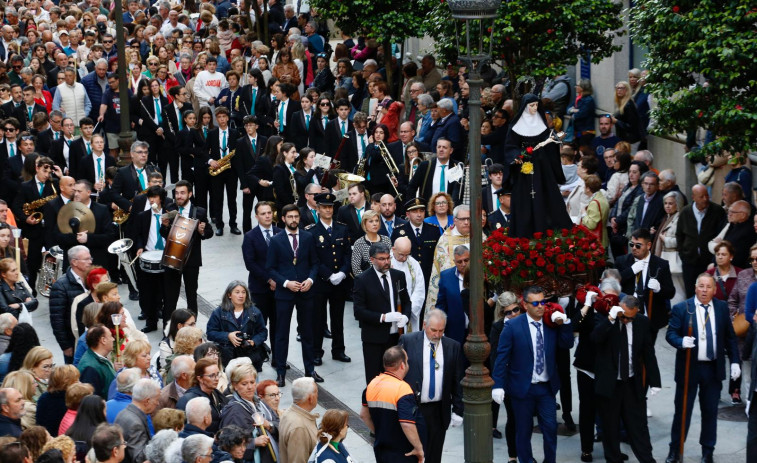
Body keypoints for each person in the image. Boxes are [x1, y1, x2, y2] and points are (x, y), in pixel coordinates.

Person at [491, 285, 573, 463]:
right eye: (535, 303)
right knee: (523, 430)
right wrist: (497, 385)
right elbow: (501, 358)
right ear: (525, 305)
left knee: (550, 428)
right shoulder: (512, 326)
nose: (540, 306)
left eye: (543, 301)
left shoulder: (551, 323)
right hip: (522, 389)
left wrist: (565, 322)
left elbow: (567, 344)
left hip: (546, 388)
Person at [665, 273, 741, 463]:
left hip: (713, 369)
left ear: (715, 290)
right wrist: (681, 341)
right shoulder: (683, 308)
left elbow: (730, 338)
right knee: (683, 411)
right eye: (701, 286)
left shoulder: (722, 308)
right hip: (689, 367)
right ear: (695, 287)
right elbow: (670, 333)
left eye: (708, 287)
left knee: (710, 412)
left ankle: (708, 451)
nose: (705, 290)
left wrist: (735, 361)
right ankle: (675, 450)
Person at [592, 295, 660, 463]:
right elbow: (595, 339)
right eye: (624, 317)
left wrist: (655, 381)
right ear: (619, 308)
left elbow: (648, 353)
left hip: (631, 382)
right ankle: (614, 459)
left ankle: (647, 459)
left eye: (631, 317)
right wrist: (610, 319)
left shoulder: (642, 323)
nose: (627, 321)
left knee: (638, 426)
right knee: (610, 427)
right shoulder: (606, 318)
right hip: (609, 384)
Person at [265, 204, 321, 386]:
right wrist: (285, 283)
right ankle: (280, 372)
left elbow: (315, 263)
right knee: (281, 333)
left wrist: (310, 280)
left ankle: (310, 369)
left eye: (296, 216)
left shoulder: (308, 237)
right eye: (290, 217)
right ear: (283, 219)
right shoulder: (276, 240)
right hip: (285, 293)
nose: (294, 220)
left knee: (308, 332)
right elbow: (270, 268)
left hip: (305, 291)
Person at [502, 94, 573, 237]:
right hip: (523, 169)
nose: (535, 108)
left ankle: (548, 229)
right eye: (532, 105)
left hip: (541, 168)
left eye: (536, 105)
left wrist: (553, 143)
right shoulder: (515, 126)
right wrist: (517, 156)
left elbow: (549, 143)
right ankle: (524, 233)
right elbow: (510, 146)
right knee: (524, 198)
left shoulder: (542, 124)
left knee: (545, 195)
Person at [398, 309, 463, 463]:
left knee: (434, 455)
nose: (437, 335)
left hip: (439, 411)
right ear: (424, 325)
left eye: (441, 331)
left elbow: (457, 379)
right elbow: (397, 374)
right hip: (414, 408)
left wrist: (458, 410)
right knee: (414, 454)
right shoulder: (407, 341)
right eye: (433, 330)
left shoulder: (452, 346)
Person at [353, 242, 411, 383]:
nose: (386, 262)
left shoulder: (399, 276)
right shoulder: (362, 280)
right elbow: (358, 311)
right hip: (374, 338)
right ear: (372, 260)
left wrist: (406, 316)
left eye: (388, 258)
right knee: (374, 378)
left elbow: (406, 302)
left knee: (396, 378)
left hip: (395, 337)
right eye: (382, 259)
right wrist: (383, 317)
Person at [306, 193, 352, 365]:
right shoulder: (311, 231)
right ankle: (317, 352)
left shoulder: (342, 228)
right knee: (318, 319)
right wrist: (328, 275)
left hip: (339, 281)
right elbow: (313, 258)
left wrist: (342, 272)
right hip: (320, 282)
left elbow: (347, 253)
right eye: (324, 207)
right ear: (318, 209)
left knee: (338, 317)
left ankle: (338, 350)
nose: (328, 210)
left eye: (330, 207)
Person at [360, 346, 425, 463]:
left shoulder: (372, 385)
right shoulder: (403, 389)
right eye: (407, 361)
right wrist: (419, 448)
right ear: (402, 365)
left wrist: (380, 433)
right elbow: (407, 424)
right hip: (403, 453)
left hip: (381, 450)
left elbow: (364, 415)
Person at [160, 180, 214, 318]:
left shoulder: (199, 211)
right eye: (177, 193)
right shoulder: (169, 208)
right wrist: (165, 226)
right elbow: (164, 234)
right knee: (170, 297)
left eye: (182, 193)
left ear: (190, 194)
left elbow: (209, 232)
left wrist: (202, 231)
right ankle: (167, 331)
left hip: (191, 260)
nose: (179, 196)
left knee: (191, 295)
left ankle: (192, 329)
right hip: (172, 257)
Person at [614, 228, 676, 342]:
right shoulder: (622, 261)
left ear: (648, 245)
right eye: (631, 244)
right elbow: (613, 284)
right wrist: (630, 271)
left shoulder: (661, 265)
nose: (633, 248)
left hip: (650, 318)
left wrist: (659, 289)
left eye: (638, 245)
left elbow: (671, 292)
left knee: (646, 353)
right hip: (626, 315)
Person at [242, 202, 282, 362]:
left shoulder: (280, 232)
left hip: (279, 288)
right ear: (257, 216)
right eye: (263, 213)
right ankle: (257, 357)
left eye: (269, 213)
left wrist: (278, 280)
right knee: (259, 324)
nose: (267, 216)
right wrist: (269, 279)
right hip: (260, 288)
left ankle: (278, 358)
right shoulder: (250, 236)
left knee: (278, 325)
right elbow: (250, 263)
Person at [218, 364, 278, 463]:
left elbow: (278, 422)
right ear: (235, 385)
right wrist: (254, 442)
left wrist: (269, 425)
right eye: (244, 384)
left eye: (252, 382)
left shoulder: (259, 402)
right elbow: (228, 445)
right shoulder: (234, 411)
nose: (249, 387)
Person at [677, 185, 727, 298]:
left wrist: (713, 259)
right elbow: (679, 236)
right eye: (701, 196)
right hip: (689, 261)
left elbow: (721, 236)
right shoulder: (685, 212)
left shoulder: (717, 211)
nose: (705, 199)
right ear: (693, 197)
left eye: (707, 195)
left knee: (709, 292)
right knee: (690, 292)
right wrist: (683, 255)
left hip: (709, 261)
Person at [206, 281, 268, 369]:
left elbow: (263, 332)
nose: (241, 295)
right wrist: (228, 336)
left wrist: (254, 341)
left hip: (249, 357)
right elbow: (210, 333)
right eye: (237, 292)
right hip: (227, 356)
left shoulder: (254, 312)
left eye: (243, 292)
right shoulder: (219, 312)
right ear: (229, 295)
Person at [50, 245, 92, 365]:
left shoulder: (93, 279)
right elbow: (57, 319)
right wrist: (65, 346)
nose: (90, 262)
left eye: (90, 258)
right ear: (74, 262)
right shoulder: (60, 286)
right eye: (86, 259)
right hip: (74, 341)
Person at [391, 197, 438, 287]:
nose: (419, 214)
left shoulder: (433, 230)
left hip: (428, 276)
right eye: (415, 211)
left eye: (421, 211)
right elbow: (393, 255)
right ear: (407, 214)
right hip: (406, 275)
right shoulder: (399, 231)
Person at [175, 358, 228, 434]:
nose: (217, 379)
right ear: (200, 379)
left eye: (217, 374)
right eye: (212, 375)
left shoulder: (217, 394)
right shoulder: (188, 400)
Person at [114, 379, 161, 463]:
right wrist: (159, 443)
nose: (158, 403)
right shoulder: (135, 424)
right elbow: (139, 458)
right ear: (147, 401)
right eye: (157, 399)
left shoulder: (123, 413)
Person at [653, 191, 686, 305]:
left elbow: (681, 240)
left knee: (678, 291)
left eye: (670, 203)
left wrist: (665, 240)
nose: (667, 206)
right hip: (666, 258)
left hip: (674, 259)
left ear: (678, 204)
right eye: (665, 203)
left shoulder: (680, 217)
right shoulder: (667, 217)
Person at [434, 246, 470, 345]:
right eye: (459, 262)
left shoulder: (479, 273)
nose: (463, 264)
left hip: (477, 331)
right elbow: (441, 305)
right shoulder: (446, 276)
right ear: (454, 261)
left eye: (466, 260)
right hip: (454, 333)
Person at [278, 377, 318, 463]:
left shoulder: (288, 413)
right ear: (310, 398)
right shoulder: (299, 427)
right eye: (316, 392)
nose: (317, 396)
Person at [77, 325, 116, 399]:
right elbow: (92, 401)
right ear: (103, 340)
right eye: (111, 336)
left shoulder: (98, 358)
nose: (113, 339)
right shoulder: (89, 368)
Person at [351, 210, 392, 277]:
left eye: (376, 221)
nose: (375, 224)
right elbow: (356, 268)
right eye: (371, 221)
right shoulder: (359, 243)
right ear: (364, 224)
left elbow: (391, 261)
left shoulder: (386, 240)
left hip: (386, 277)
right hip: (366, 281)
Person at [65, 395, 106, 460]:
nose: (106, 414)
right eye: (105, 411)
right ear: (99, 412)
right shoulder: (101, 436)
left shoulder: (70, 431)